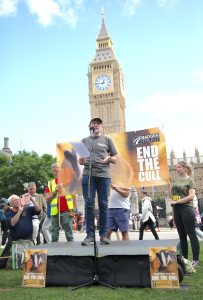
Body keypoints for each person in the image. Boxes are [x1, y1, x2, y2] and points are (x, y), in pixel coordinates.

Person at [79, 117, 117, 245]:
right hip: (88, 175)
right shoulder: (84, 141)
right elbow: (80, 160)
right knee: (88, 204)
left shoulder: (107, 140)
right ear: (89, 125)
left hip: (103, 175)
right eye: (93, 123)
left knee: (103, 204)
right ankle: (90, 235)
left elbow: (116, 159)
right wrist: (82, 160)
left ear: (102, 126)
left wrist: (109, 158)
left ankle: (103, 235)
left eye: (98, 123)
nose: (96, 125)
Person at [170, 160, 200, 268]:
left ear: (185, 168)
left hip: (187, 209)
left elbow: (191, 196)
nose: (176, 169)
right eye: (176, 167)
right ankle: (185, 261)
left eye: (178, 167)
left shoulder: (190, 180)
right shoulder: (175, 180)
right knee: (182, 236)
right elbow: (172, 194)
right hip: (176, 209)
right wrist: (172, 203)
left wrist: (177, 201)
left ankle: (195, 260)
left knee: (191, 235)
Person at [0, 194, 41, 269]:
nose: (17, 201)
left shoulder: (27, 209)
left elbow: (38, 209)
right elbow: (12, 223)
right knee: (3, 264)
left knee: (35, 263)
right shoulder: (9, 213)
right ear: (10, 203)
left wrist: (31, 198)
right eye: (14, 200)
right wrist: (19, 211)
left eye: (18, 199)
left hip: (28, 239)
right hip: (14, 241)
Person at [45, 163, 76, 243]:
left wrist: (73, 210)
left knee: (68, 232)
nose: (56, 172)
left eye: (57, 170)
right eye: (54, 171)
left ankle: (71, 250)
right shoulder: (50, 183)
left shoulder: (69, 182)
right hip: (55, 212)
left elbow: (74, 197)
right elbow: (47, 199)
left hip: (67, 211)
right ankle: (55, 252)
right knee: (54, 233)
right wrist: (55, 191)